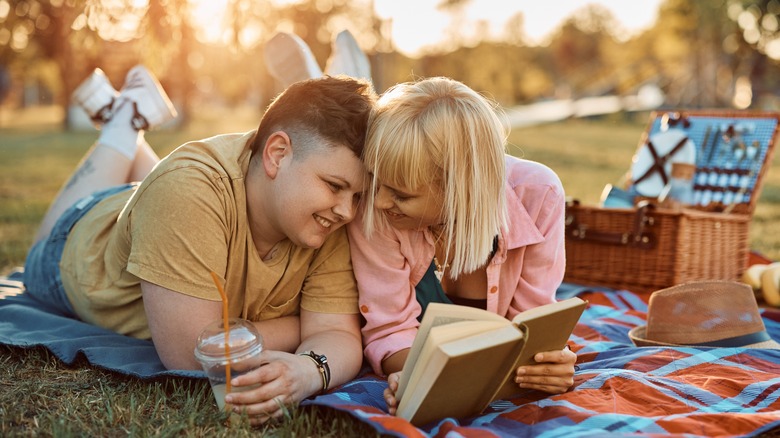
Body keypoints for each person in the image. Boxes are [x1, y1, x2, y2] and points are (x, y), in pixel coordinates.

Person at [23, 63, 377, 425]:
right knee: (39, 253)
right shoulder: (186, 193)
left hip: (164, 215)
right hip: (78, 240)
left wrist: (309, 369)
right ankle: (122, 123)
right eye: (334, 186)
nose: (348, 212)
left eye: (359, 196)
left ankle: (128, 127)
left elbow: (337, 336)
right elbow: (192, 353)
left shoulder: (326, 219)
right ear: (277, 154)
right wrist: (306, 324)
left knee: (172, 199)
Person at [344, 77, 577, 415]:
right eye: (376, 181)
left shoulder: (539, 196)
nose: (378, 201)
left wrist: (549, 364)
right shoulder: (375, 212)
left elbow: (531, 326)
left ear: (457, 188)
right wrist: (414, 376)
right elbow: (389, 330)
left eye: (401, 194)